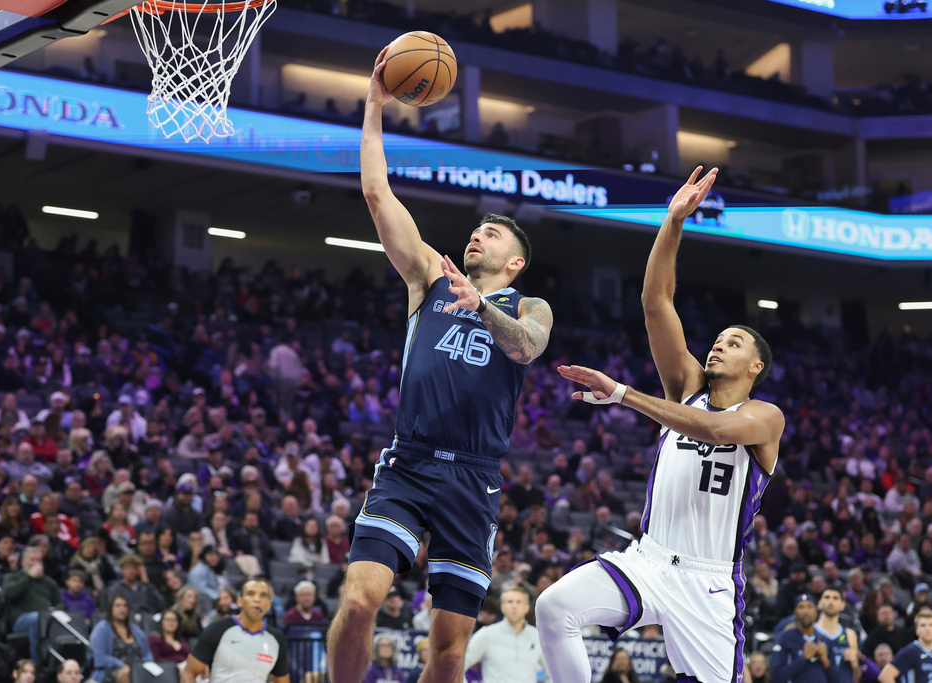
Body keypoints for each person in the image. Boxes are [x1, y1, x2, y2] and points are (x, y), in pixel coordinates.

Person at [327, 46, 552, 683]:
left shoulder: (529, 304)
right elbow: (377, 193)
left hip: (474, 478)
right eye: (476, 230)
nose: (477, 235)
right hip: (411, 459)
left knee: (450, 647)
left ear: (514, 262)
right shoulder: (429, 275)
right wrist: (374, 101)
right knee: (360, 597)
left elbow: (526, 348)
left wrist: (482, 304)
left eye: (494, 234)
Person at [536, 166, 784, 683]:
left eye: (733, 342)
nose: (718, 344)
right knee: (555, 608)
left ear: (755, 367)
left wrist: (623, 395)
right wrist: (672, 222)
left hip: (708, 584)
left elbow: (712, 431)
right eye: (717, 338)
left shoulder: (764, 417)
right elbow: (655, 304)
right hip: (647, 561)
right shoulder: (687, 388)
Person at [181, 577, 290, 683]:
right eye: (251, 594)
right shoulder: (218, 629)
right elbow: (189, 673)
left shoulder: (276, 639)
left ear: (269, 604)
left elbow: (281, 680)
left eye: (263, 595)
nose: (257, 600)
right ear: (240, 601)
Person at [464, 585, 548, 683]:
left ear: (527, 608)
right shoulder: (486, 634)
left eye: (519, 602)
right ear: (502, 607)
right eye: (510, 602)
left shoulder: (537, 636)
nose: (514, 606)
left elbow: (553, 671)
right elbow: (459, 664)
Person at [6, 546, 64, 662]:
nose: (36, 563)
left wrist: (56, 608)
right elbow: (8, 593)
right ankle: (37, 664)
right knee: (37, 618)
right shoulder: (14, 577)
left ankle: (62, 662)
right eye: (32, 560)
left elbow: (61, 602)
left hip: (47, 617)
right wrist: (28, 577)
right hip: (22, 620)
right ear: (23, 562)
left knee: (69, 618)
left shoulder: (49, 582)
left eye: (39, 560)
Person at [771, 595, 839, 683]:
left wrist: (825, 661)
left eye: (809, 607)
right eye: (801, 607)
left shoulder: (824, 640)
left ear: (816, 612)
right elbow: (776, 677)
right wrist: (803, 658)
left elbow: (837, 679)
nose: (806, 611)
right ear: (795, 612)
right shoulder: (784, 638)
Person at [91, 594, 154, 683]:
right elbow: (99, 658)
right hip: (112, 670)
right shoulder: (102, 628)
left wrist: (147, 665)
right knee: (127, 673)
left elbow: (147, 653)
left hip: (138, 669)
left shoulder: (135, 629)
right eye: (118, 606)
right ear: (111, 608)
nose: (122, 609)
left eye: (125, 606)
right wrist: (121, 664)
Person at [878, 609, 932, 683]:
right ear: (916, 630)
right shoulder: (911, 651)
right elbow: (885, 676)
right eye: (923, 625)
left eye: (931, 625)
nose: (927, 629)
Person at [815, 587, 861, 683]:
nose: (831, 601)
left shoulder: (850, 635)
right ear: (819, 603)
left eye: (835, 598)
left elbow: (856, 678)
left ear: (842, 605)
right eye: (827, 597)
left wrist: (855, 665)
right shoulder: (810, 632)